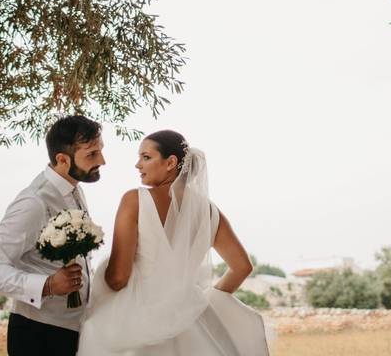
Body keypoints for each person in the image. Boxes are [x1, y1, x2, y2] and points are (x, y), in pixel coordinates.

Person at [77, 130, 270, 356]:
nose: (138, 165)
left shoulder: (134, 200)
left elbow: (118, 278)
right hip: (193, 322)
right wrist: (201, 301)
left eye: (146, 157)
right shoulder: (208, 211)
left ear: (171, 162)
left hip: (138, 320)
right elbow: (242, 267)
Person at [0, 115, 106, 356]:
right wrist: (47, 285)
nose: (102, 160)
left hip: (72, 329)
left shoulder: (73, 188)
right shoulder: (33, 202)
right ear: (62, 159)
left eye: (100, 151)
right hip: (38, 334)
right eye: (91, 154)